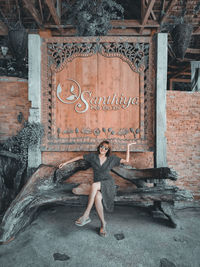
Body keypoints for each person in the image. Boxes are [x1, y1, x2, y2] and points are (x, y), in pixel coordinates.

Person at [59, 140, 135, 237]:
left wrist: (128, 146)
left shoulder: (112, 158)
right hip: (98, 185)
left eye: (106, 148)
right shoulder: (93, 157)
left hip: (108, 183)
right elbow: (79, 157)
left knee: (94, 185)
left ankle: (86, 214)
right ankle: (103, 224)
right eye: (102, 146)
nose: (103, 149)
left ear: (108, 150)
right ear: (99, 147)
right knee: (97, 198)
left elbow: (127, 160)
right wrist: (65, 163)